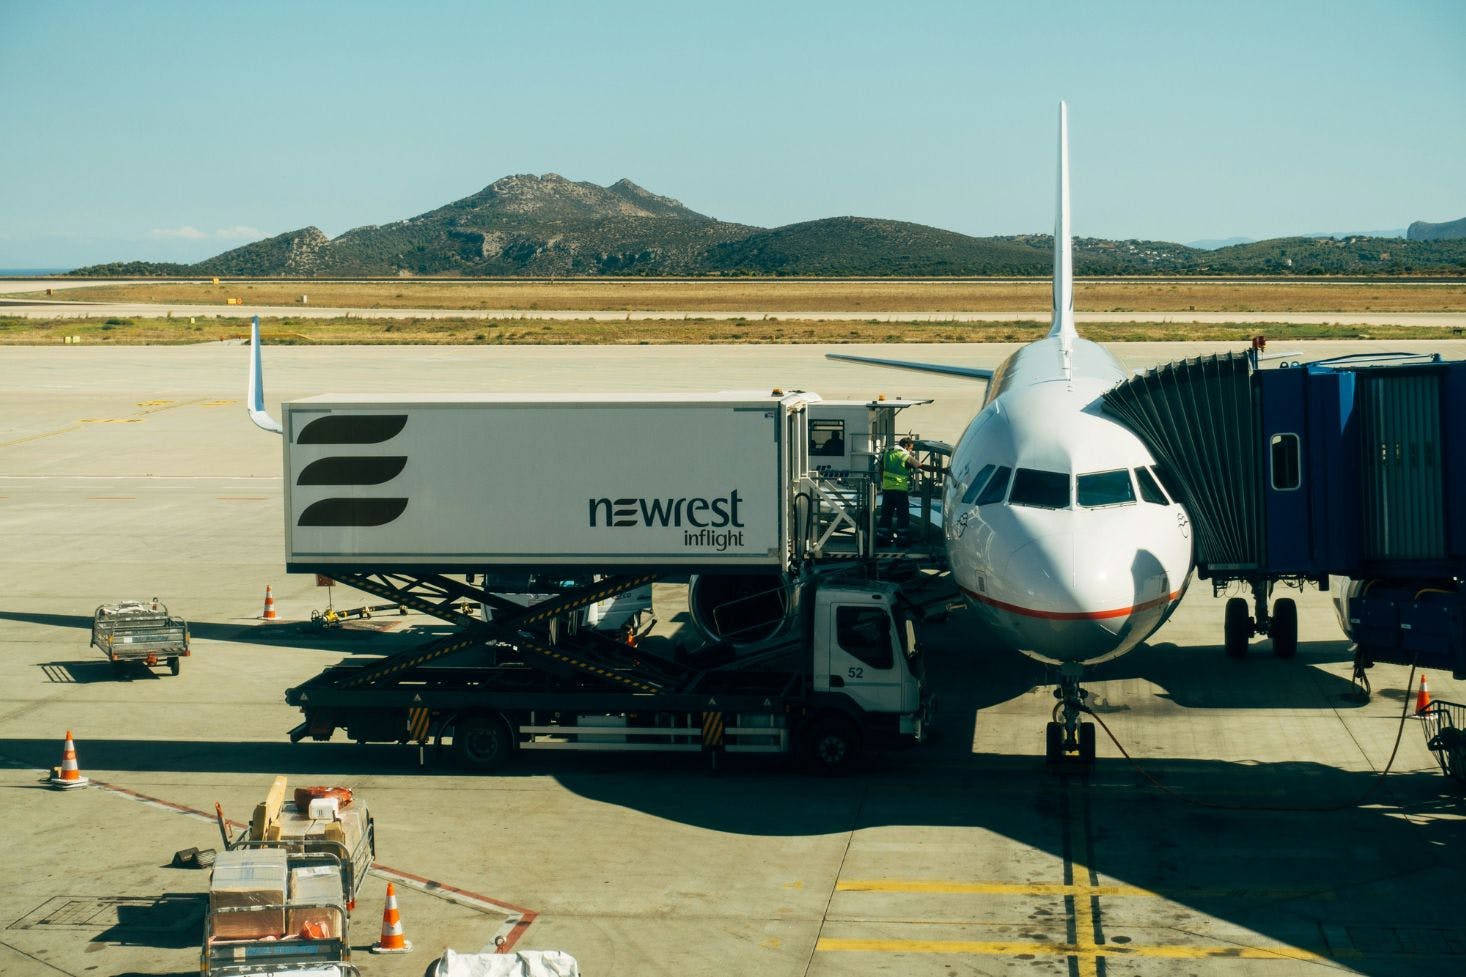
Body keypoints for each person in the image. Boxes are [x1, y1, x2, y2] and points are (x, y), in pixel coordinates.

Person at [878, 437, 921, 541]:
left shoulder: (887, 453)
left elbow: (880, 467)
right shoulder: (904, 455)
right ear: (906, 446)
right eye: (911, 448)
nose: (910, 451)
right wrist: (941, 470)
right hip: (900, 490)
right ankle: (903, 538)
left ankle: (882, 537)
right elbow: (919, 465)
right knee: (903, 514)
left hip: (887, 489)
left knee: (886, 514)